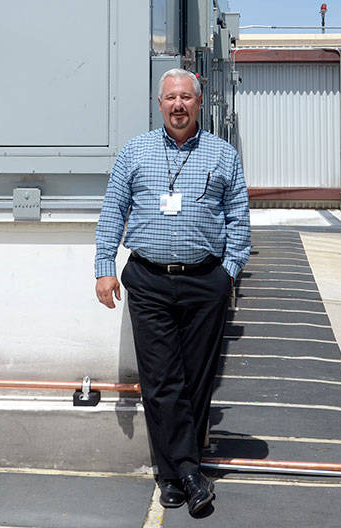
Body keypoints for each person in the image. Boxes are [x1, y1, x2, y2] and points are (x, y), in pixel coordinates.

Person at [94, 67, 250, 516]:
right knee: (162, 378)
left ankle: (173, 475)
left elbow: (239, 216)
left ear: (199, 103)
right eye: (170, 98)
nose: (178, 105)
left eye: (186, 97)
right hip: (149, 279)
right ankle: (188, 472)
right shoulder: (135, 152)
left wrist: (229, 272)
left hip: (206, 282)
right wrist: (105, 267)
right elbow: (112, 211)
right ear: (158, 104)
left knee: (196, 379)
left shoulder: (223, 155)